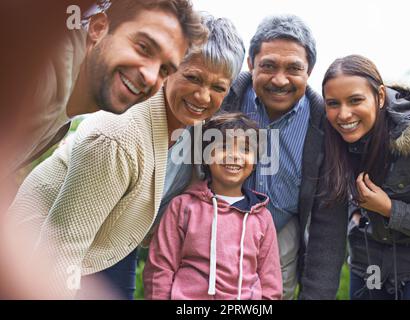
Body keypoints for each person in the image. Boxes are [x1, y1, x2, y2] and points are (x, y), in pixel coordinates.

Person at [6, 13, 245, 299]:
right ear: (168, 72)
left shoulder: (193, 126)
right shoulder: (117, 138)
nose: (203, 97)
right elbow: (60, 251)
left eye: (218, 87)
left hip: (112, 244)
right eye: (192, 77)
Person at [0, 0, 207, 181]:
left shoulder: (62, 112)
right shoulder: (39, 75)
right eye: (143, 47)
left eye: (164, 70)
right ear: (98, 28)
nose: (151, 76)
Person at [220, 14, 348, 299]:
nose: (280, 80)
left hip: (280, 245)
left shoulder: (325, 126)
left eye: (293, 68)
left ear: (309, 71)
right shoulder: (222, 100)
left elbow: (329, 223)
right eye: (268, 66)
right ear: (251, 64)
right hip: (212, 235)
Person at [321, 54, 410, 300]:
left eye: (355, 100)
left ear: (380, 96)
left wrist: (390, 209)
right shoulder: (330, 136)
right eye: (333, 103)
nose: (344, 114)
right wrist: (354, 214)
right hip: (369, 264)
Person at [144, 112, 283, 300]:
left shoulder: (262, 217)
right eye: (223, 147)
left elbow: (270, 282)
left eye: (245, 149)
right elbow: (161, 267)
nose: (234, 156)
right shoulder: (182, 207)